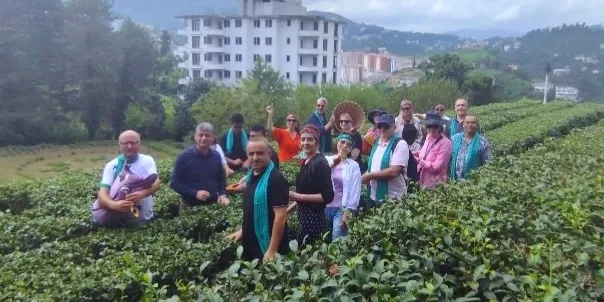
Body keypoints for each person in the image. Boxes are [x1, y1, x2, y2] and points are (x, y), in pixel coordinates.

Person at [226, 139, 289, 262]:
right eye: (251, 154)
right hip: (251, 241)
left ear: (269, 154)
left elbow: (281, 217)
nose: (255, 158)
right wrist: (242, 230)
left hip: (267, 246)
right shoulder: (252, 175)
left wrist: (271, 251)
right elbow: (252, 208)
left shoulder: (275, 178)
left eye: (260, 153)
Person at [92, 130, 161, 227]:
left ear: (139, 143)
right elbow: (102, 193)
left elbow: (157, 183)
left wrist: (143, 194)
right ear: (119, 145)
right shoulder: (112, 165)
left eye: (133, 143)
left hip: (144, 219)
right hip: (119, 222)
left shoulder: (147, 160)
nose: (129, 146)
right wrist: (113, 205)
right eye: (125, 143)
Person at [287, 124, 334, 245]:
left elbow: (328, 196)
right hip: (304, 217)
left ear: (317, 141)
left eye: (310, 139)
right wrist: (289, 210)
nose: (305, 143)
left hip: (313, 220)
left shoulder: (320, 163)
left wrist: (297, 196)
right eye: (303, 139)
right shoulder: (307, 159)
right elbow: (305, 192)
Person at [171, 122, 230, 210]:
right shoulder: (184, 157)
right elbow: (175, 183)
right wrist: (195, 193)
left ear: (213, 138)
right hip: (190, 207)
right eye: (200, 135)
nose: (203, 138)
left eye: (207, 135)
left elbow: (221, 178)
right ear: (195, 136)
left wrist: (222, 194)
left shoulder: (216, 156)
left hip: (212, 206)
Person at [362, 114, 409, 207]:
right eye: (379, 126)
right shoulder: (377, 142)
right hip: (374, 195)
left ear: (394, 127)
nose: (382, 129)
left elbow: (394, 171)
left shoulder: (400, 144)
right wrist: (365, 175)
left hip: (393, 198)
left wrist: (370, 176)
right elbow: (373, 165)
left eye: (386, 126)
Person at [324, 133, 362, 240]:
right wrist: (334, 163)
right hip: (324, 207)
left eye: (348, 145)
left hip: (341, 209)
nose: (345, 145)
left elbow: (355, 189)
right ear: (337, 144)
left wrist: (348, 211)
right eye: (342, 142)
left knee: (337, 243)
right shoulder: (326, 160)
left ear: (350, 149)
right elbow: (319, 177)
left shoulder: (353, 165)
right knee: (322, 240)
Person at [417, 112, 452, 190]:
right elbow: (427, 154)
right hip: (422, 180)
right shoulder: (428, 137)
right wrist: (417, 154)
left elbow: (437, 166)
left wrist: (420, 162)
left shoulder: (446, 143)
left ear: (440, 127)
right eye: (429, 126)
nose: (432, 129)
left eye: (435, 126)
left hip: (436, 184)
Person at [450, 116, 492, 180]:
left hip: (472, 182)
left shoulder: (483, 142)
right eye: (467, 122)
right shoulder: (454, 139)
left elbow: (487, 162)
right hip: (454, 180)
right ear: (463, 125)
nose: (470, 125)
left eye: (473, 123)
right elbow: (448, 158)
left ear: (477, 126)